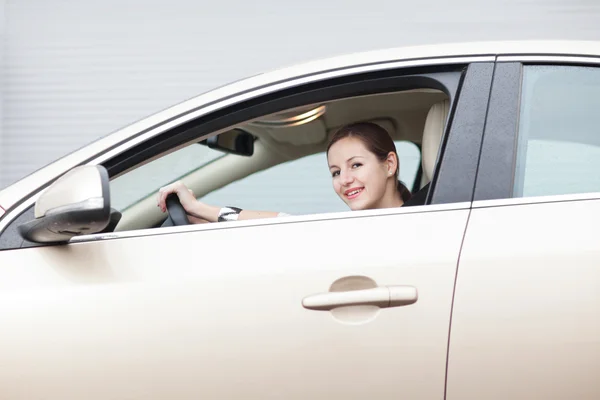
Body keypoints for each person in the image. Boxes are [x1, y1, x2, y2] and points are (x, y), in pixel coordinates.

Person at [157, 122, 413, 223]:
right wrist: (198, 211)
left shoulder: (413, 226)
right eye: (335, 172)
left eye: (356, 165)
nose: (345, 180)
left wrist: (200, 209)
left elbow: (290, 226)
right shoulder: (369, 226)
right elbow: (288, 225)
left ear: (389, 165)